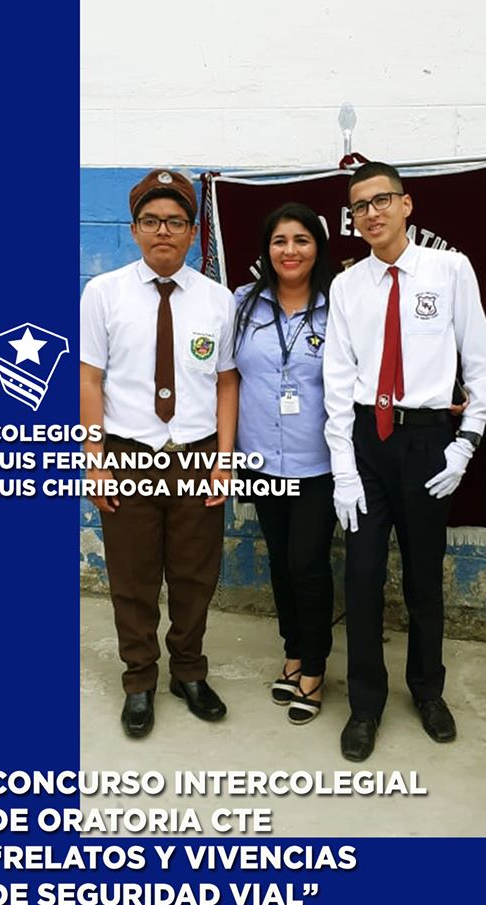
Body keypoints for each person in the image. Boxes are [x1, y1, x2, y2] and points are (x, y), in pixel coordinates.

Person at [323, 160, 486, 761]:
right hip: (368, 440)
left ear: (406, 204)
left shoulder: (450, 270)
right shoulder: (346, 286)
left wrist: (466, 442)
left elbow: (479, 361)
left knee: (423, 577)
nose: (371, 214)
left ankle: (428, 689)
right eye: (360, 206)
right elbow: (337, 381)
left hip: (426, 441)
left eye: (381, 200)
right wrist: (344, 468)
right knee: (362, 576)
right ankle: (365, 704)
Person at [80, 169, 238, 738]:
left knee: (195, 576)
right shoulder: (104, 293)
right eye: (151, 221)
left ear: (193, 232)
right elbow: (90, 380)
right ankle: (139, 680)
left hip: (196, 456)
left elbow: (226, 383)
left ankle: (189, 672)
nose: (162, 231)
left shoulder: (218, 300)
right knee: (133, 577)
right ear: (134, 230)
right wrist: (95, 459)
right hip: (127, 455)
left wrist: (224, 459)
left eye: (174, 221)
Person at [234, 203, 336, 725]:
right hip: (260, 459)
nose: (290, 250)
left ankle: (315, 668)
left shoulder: (337, 307)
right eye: (280, 241)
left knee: (307, 563)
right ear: (266, 249)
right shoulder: (242, 305)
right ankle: (293, 652)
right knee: (279, 560)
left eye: (301, 240)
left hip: (317, 463)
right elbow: (224, 376)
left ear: (317, 247)